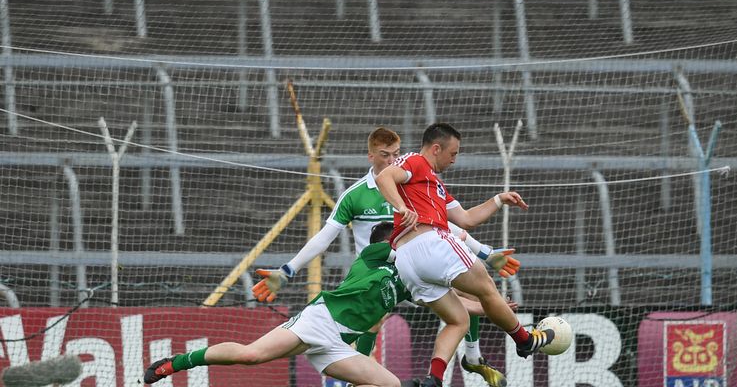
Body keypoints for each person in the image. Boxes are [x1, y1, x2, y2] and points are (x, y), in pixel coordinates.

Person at [252, 127, 519, 387]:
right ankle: (357, 376)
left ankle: (472, 356)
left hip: (412, 266)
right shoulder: (357, 195)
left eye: (396, 153)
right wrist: (288, 270)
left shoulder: (413, 181)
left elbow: (446, 225)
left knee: (468, 289)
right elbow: (324, 237)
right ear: (371, 156)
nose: (393, 160)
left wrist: (485, 252)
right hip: (376, 272)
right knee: (376, 319)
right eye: (385, 155)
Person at [143, 222, 518, 387]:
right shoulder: (373, 255)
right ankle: (173, 364)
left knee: (388, 383)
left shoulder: (410, 281)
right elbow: (412, 235)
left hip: (339, 346)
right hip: (318, 322)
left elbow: (458, 308)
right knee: (250, 355)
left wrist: (496, 307)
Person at [375, 123, 555, 387]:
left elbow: (466, 219)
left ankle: (433, 379)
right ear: (436, 148)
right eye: (453, 153)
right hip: (428, 242)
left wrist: (498, 200)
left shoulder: (434, 184)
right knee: (486, 286)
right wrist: (402, 208)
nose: (454, 159)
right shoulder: (415, 161)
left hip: (408, 261)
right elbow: (383, 178)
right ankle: (525, 340)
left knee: (458, 320)